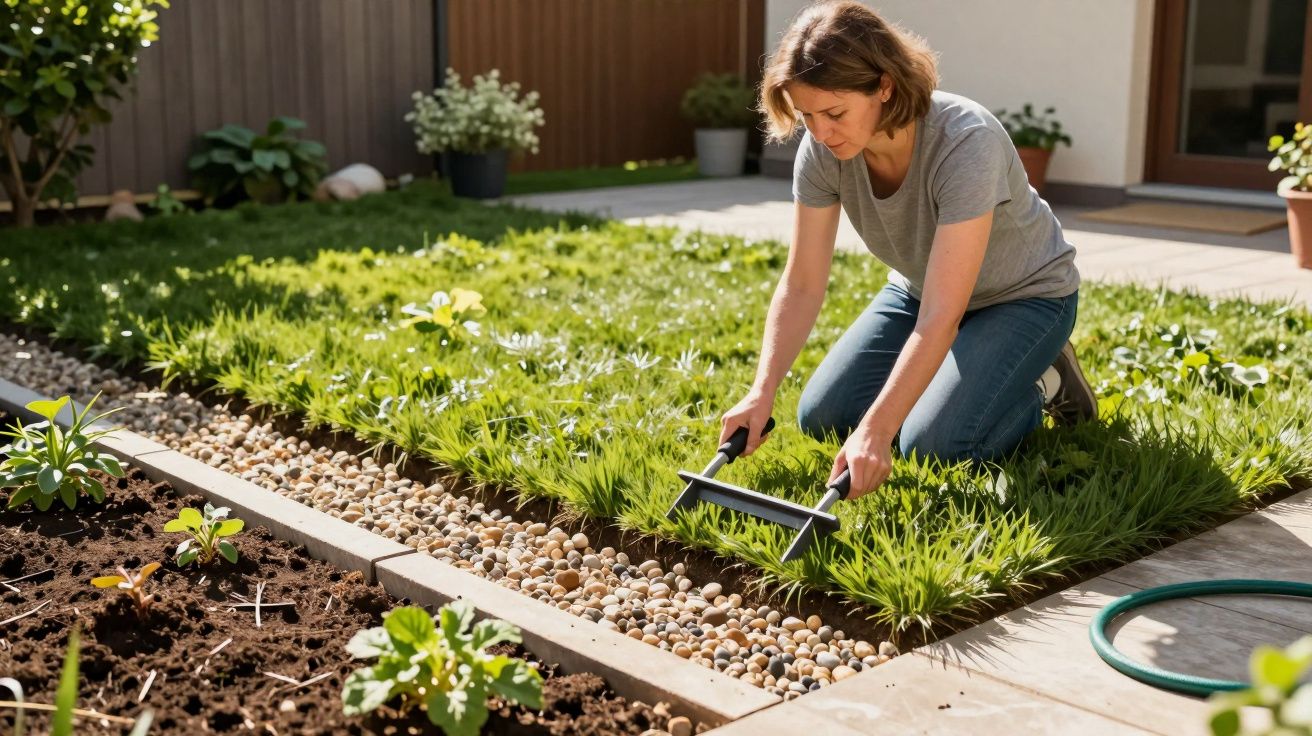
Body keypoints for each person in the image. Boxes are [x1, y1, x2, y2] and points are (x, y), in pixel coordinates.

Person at [718, 0, 1096, 501]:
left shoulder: (966, 141)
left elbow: (943, 314)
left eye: (834, 112)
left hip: (1024, 298)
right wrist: (760, 392)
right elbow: (803, 282)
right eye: (807, 115)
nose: (821, 132)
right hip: (919, 292)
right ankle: (964, 378)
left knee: (934, 445)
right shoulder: (823, 151)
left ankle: (1043, 382)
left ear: (884, 86)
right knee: (824, 418)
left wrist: (876, 432)